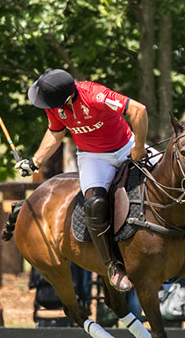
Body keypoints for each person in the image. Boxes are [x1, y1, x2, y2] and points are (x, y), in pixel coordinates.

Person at [17, 69, 149, 292]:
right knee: (94, 204)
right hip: (94, 157)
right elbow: (55, 133)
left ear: (66, 97)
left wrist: (139, 147)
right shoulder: (55, 107)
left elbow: (138, 110)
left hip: (127, 146)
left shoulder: (94, 95)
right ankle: (113, 266)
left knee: (171, 178)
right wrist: (35, 161)